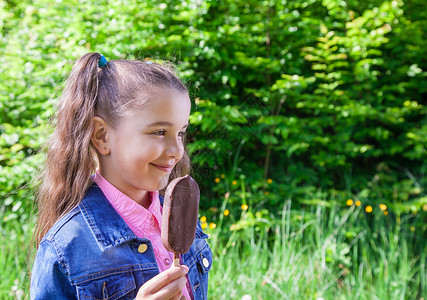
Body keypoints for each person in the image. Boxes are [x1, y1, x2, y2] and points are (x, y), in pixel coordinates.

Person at [30, 53, 212, 299]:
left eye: (180, 133)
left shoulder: (179, 216)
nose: (177, 150)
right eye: (159, 131)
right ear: (103, 136)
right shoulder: (68, 246)